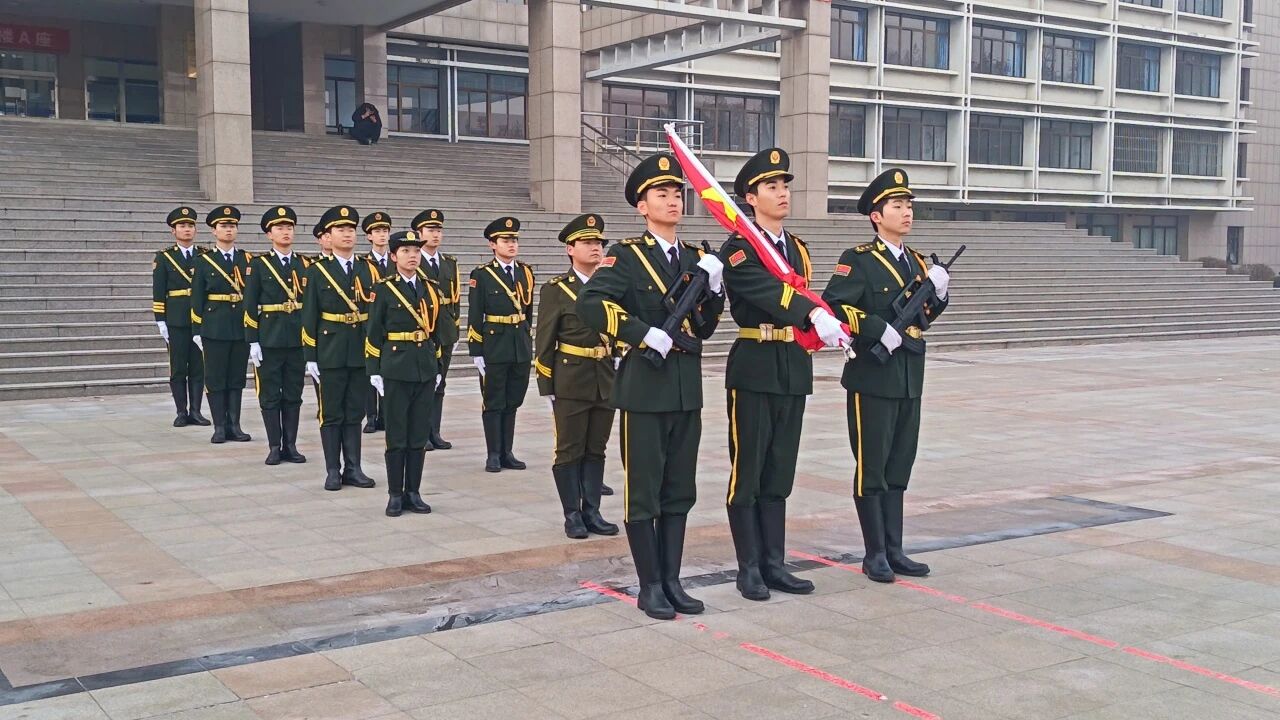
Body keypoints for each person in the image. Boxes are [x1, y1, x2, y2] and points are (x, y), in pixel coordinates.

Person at [576, 153, 725, 620]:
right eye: (662, 194)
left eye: (677, 193)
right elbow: (590, 303)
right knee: (644, 489)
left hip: (685, 389)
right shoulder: (624, 255)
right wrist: (642, 333)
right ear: (642, 206)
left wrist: (715, 290)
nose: (673, 200)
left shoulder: (694, 258)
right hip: (644, 388)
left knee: (679, 489)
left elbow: (705, 327)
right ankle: (650, 585)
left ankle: (673, 580)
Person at [719, 148, 850, 600]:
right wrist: (813, 314)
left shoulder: (796, 247)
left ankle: (775, 563)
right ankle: (748, 568)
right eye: (771, 187)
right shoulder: (738, 248)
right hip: (755, 362)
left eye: (785, 186)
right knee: (749, 470)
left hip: (791, 363)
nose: (782, 193)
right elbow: (767, 292)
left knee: (779, 471)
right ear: (750, 198)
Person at [821, 168, 950, 583]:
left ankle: (895, 549)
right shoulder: (858, 259)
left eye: (909, 205)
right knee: (872, 466)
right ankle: (874, 552)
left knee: (899, 466)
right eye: (898, 205)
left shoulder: (917, 261)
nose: (907, 212)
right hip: (872, 378)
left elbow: (923, 317)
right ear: (876, 216)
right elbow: (834, 305)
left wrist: (939, 294)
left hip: (909, 376)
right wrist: (878, 328)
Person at [534, 213, 621, 540]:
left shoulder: (610, 286)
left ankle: (592, 511)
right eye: (587, 242)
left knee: (596, 449)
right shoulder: (556, 290)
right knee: (569, 450)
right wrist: (546, 385)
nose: (595, 247)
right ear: (570, 249)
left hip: (604, 378)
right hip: (570, 380)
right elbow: (544, 339)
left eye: (599, 242)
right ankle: (572, 514)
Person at [365, 230, 445, 517]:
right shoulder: (384, 289)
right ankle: (395, 494)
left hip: (424, 367)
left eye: (415, 250)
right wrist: (374, 370)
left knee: (418, 435)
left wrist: (437, 366)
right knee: (397, 436)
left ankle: (414, 491)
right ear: (393, 256)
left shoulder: (430, 288)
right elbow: (373, 331)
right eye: (406, 251)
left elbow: (437, 330)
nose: (412, 256)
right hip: (396, 368)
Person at [301, 205, 378, 491]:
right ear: (328, 236)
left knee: (355, 411)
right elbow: (309, 315)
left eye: (350, 229)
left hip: (359, 349)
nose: (347, 234)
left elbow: (375, 313)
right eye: (340, 229)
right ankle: (333, 469)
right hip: (330, 350)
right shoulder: (317, 271)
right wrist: (310, 355)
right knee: (332, 413)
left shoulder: (367, 269)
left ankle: (354, 468)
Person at [467, 216, 535, 473]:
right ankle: (493, 453)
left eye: (514, 240)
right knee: (494, 401)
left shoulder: (525, 272)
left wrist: (527, 339)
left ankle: (508, 452)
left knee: (513, 400)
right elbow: (475, 314)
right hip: (494, 346)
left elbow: (527, 312)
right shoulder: (482, 275)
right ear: (492, 244)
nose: (511, 244)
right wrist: (476, 351)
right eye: (505, 240)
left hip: (519, 345)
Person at [244, 206, 308, 466]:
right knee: (270, 394)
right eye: (279, 228)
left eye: (289, 227)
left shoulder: (304, 264)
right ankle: (274, 445)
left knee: (293, 393)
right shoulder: (259, 265)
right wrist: (252, 339)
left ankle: (290, 445)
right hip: (269, 338)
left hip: (297, 339)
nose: (285, 232)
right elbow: (250, 304)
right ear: (269, 234)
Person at [191, 206, 252, 444]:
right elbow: (197, 297)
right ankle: (219, 426)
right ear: (214, 231)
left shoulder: (247, 259)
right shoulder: (205, 261)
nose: (229, 230)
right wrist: (197, 329)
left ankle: (234, 425)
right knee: (216, 378)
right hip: (214, 326)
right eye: (224, 226)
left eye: (232, 226)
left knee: (236, 377)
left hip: (240, 326)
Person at [152, 206, 210, 428]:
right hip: (176, 319)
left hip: (199, 319)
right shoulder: (165, 258)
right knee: (178, 368)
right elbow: (159, 290)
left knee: (198, 367)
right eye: (182, 226)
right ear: (173, 231)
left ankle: (196, 411)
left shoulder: (204, 255)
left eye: (190, 226)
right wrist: (161, 320)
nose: (187, 229)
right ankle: (181, 411)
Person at [412, 209, 458, 451]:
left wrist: (455, 328)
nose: (436, 235)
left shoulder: (449, 262)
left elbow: (455, 299)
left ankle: (435, 431)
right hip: (424, 329)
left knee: (440, 384)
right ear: (419, 233)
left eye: (439, 230)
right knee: (423, 385)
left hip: (445, 330)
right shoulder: (412, 261)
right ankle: (421, 434)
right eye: (430, 230)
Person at [361, 211, 394, 434]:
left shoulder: (396, 260)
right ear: (369, 236)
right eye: (377, 231)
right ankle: (371, 416)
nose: (382, 235)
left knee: (389, 369)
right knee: (370, 370)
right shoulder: (363, 263)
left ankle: (385, 414)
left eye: (385, 231)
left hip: (391, 325)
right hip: (369, 324)